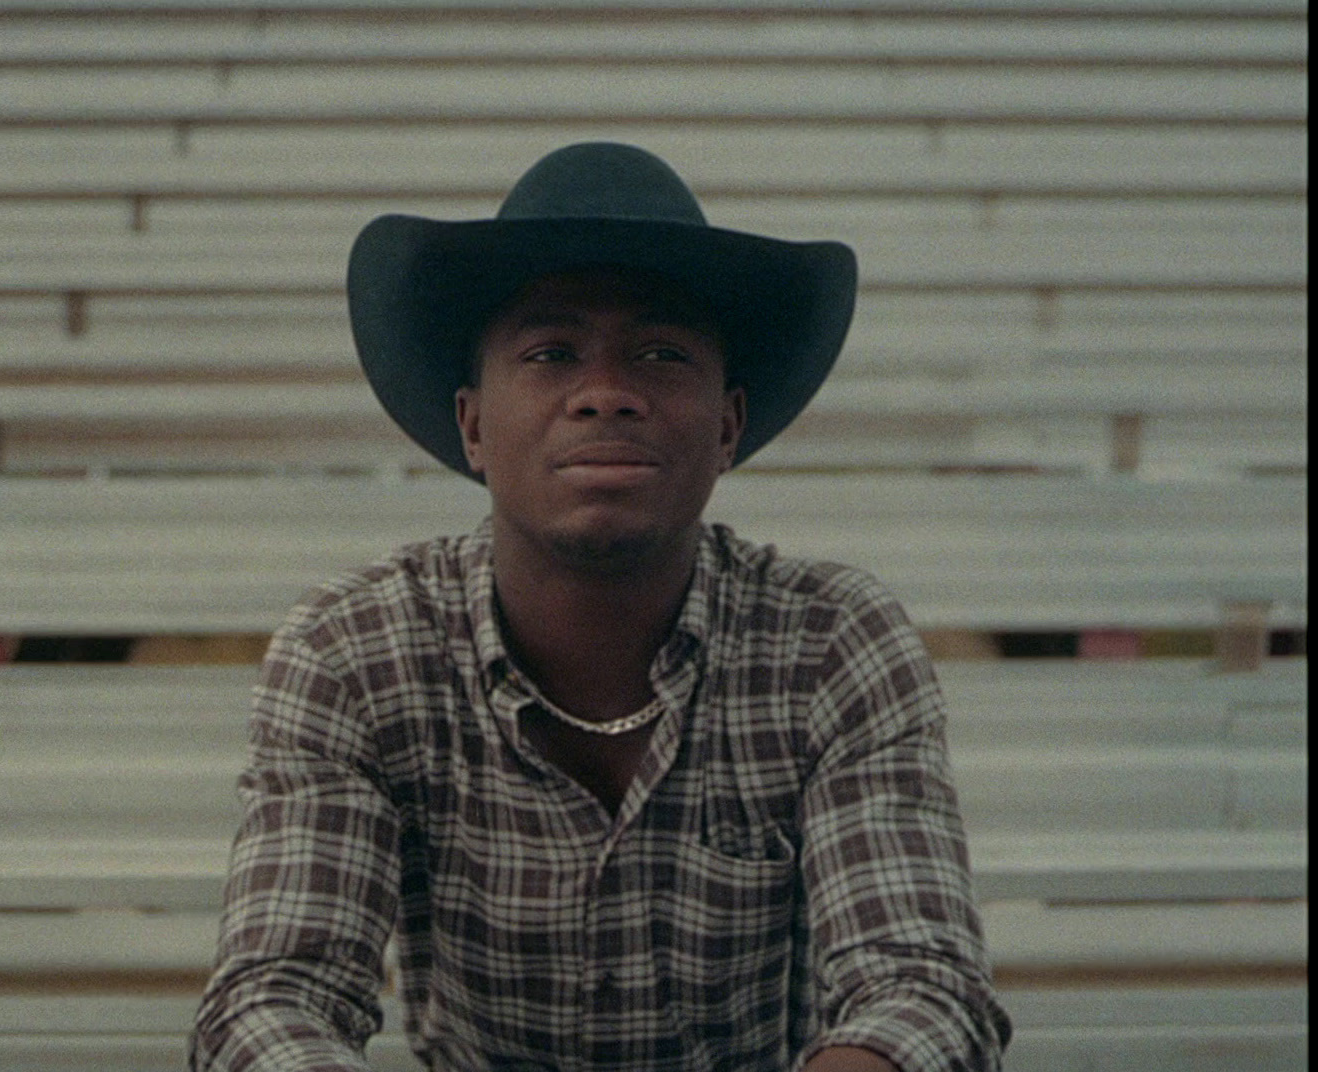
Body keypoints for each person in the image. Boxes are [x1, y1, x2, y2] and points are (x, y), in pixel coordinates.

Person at [190, 142, 1012, 1072]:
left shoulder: (833, 642)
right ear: (472, 427)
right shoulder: (353, 650)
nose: (607, 394)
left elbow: (921, 987)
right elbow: (274, 999)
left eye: (662, 353)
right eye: (551, 353)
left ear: (729, 425)